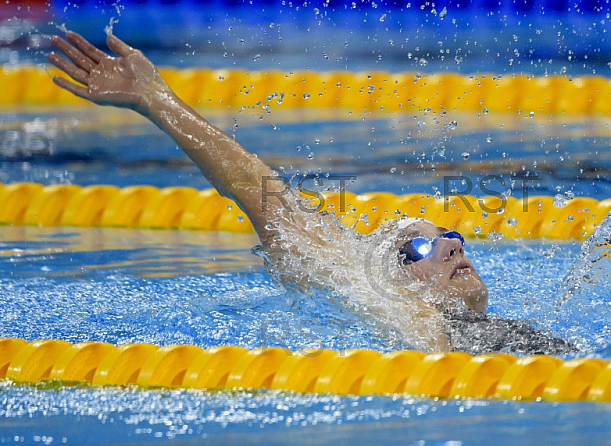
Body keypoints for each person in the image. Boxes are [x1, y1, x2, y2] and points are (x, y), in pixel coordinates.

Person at [47, 30, 572, 355]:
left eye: (449, 236)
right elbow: (256, 189)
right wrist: (156, 99)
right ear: (389, 282)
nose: (453, 246)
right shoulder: (408, 318)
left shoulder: (513, 333)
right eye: (418, 247)